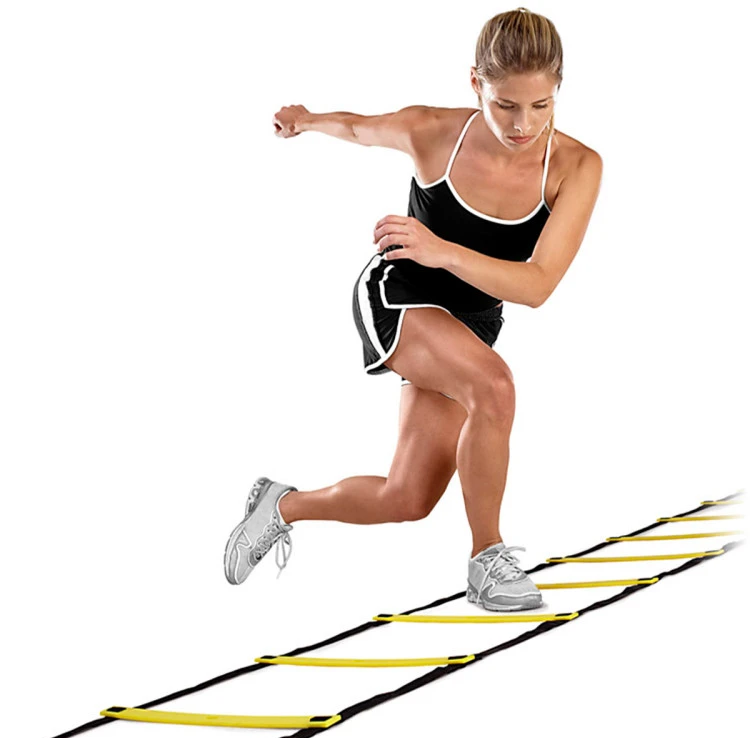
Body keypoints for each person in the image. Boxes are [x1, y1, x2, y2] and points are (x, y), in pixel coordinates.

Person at [224, 7, 602, 612]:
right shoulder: (432, 131)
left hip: (471, 323)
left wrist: (442, 249)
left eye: (541, 105)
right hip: (398, 295)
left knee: (407, 497)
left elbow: (536, 286)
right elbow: (358, 128)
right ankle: (488, 560)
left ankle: (282, 505)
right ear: (475, 83)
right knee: (495, 388)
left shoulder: (577, 167)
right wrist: (307, 120)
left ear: (559, 89)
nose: (523, 124)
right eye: (505, 104)